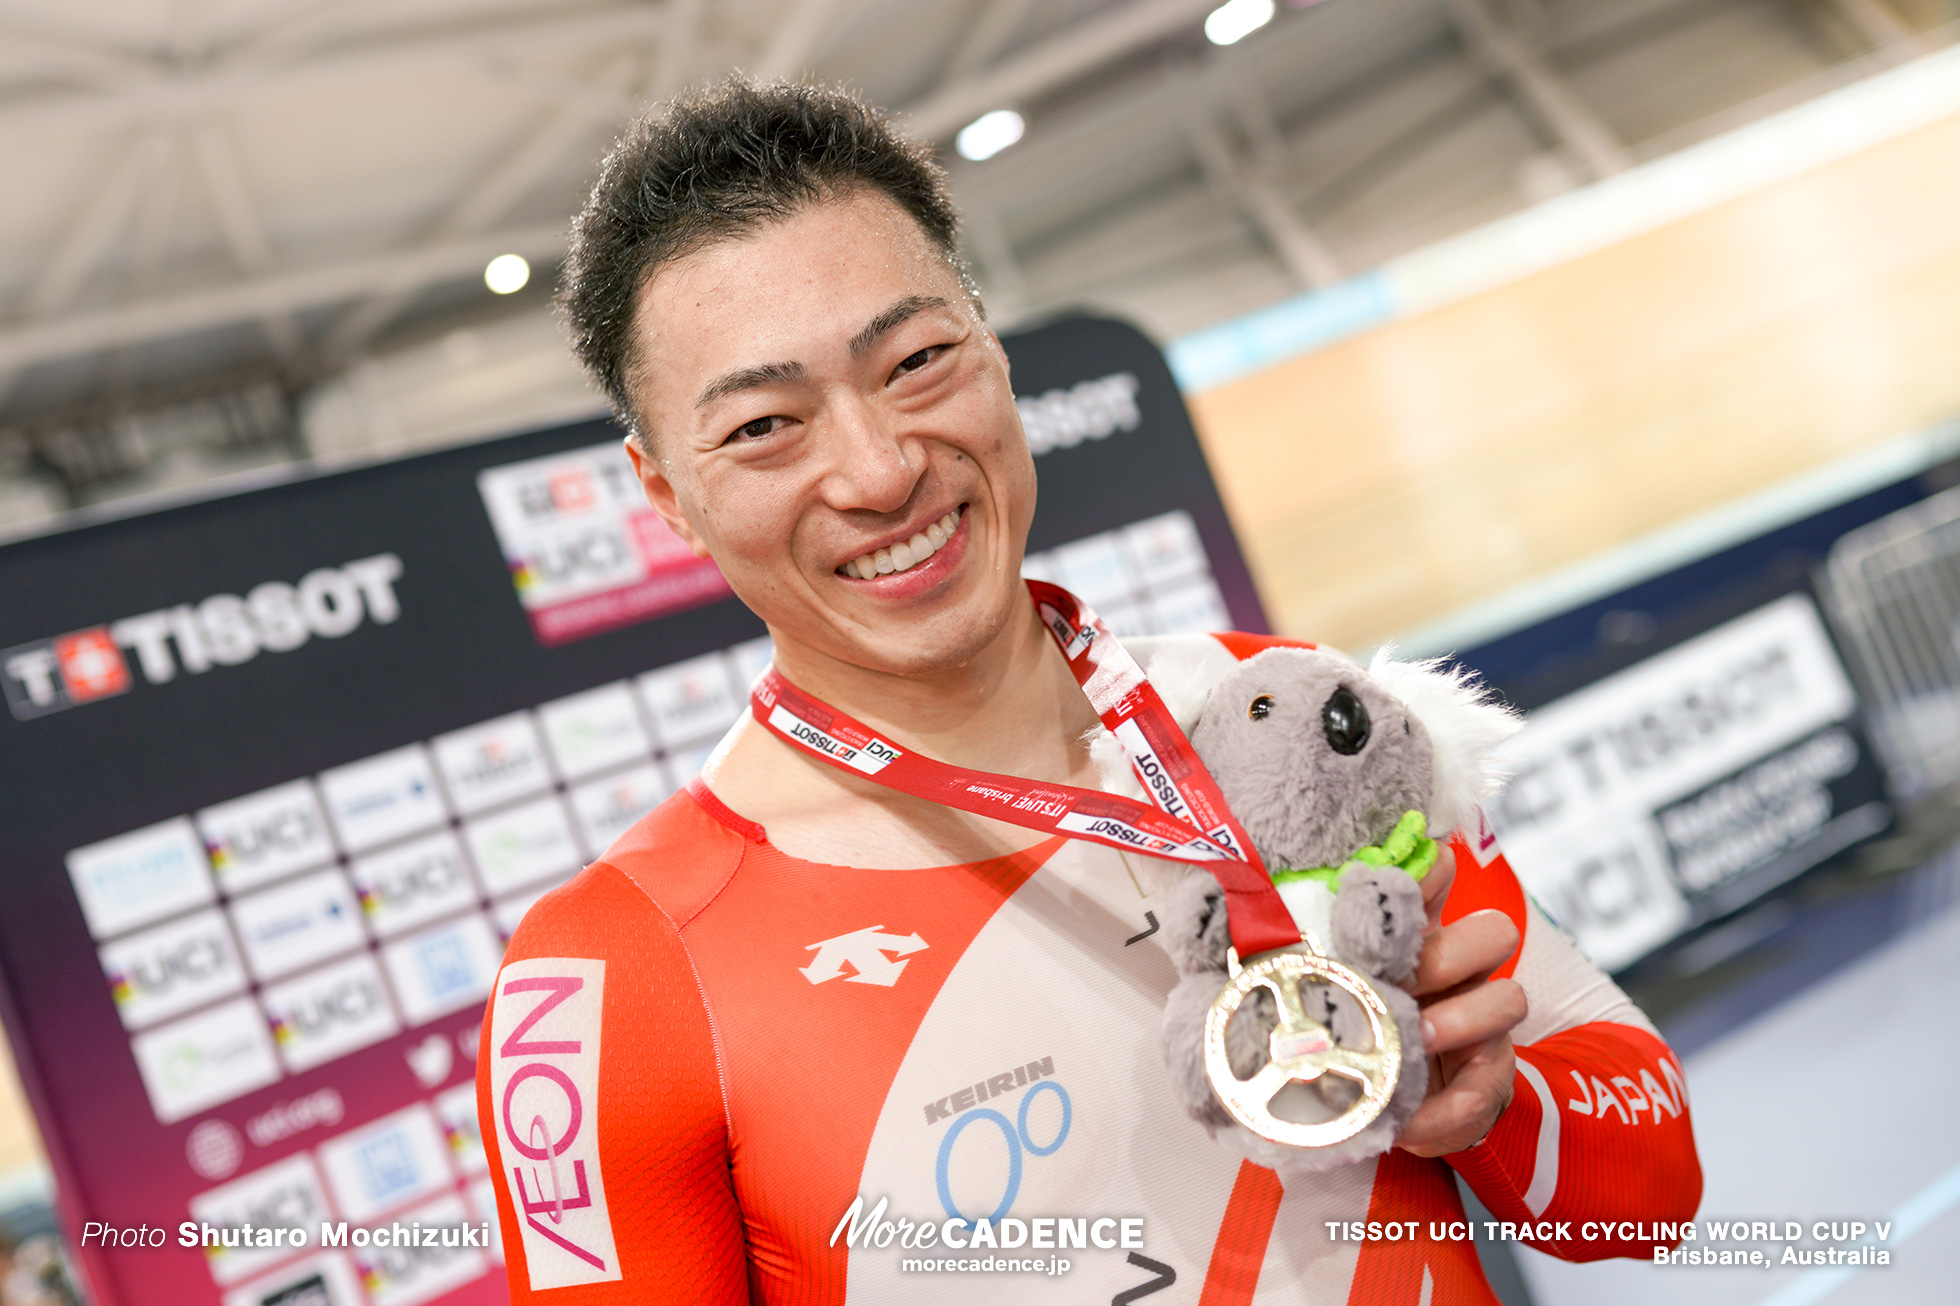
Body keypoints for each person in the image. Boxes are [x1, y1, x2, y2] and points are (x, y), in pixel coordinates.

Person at [477, 79, 1701, 1304]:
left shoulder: (1271, 706)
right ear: (665, 495)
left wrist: (1480, 1102)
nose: (879, 469)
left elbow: (1652, 1191)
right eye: (762, 426)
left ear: (993, 351)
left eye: (916, 360)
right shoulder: (611, 979)